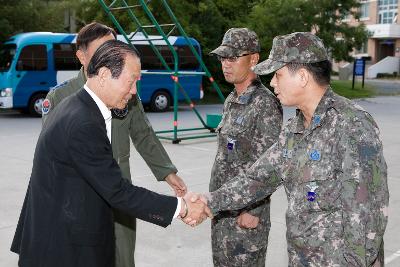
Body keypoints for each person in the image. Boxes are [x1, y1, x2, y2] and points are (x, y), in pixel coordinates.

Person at [194, 32, 389, 266]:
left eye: (278, 75)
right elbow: (257, 179)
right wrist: (208, 201)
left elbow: (366, 221)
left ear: (303, 77)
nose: (273, 83)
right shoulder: (294, 129)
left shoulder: (352, 126)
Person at [11, 40, 211, 267]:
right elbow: (117, 191)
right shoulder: (82, 122)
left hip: (70, 235)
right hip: (64, 250)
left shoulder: (76, 106)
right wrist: (182, 207)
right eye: (131, 81)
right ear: (105, 74)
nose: (135, 91)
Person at [42, 22, 187, 267]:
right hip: (79, 199)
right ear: (81, 56)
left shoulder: (126, 91)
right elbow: (51, 159)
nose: (109, 57)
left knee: (122, 257)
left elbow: (143, 132)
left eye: (113, 48)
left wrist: (167, 173)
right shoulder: (60, 97)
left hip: (121, 193)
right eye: (100, 51)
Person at [208, 28, 282, 266]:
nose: (225, 64)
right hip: (223, 210)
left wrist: (254, 210)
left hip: (245, 215)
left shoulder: (265, 104)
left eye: (232, 58)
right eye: (222, 58)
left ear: (253, 59)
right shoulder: (232, 100)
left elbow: (269, 166)